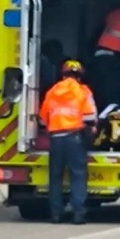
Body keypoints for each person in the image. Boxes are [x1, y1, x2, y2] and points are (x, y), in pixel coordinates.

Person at [39, 59, 97, 225]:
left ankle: (56, 214)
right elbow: (90, 118)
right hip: (75, 138)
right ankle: (78, 214)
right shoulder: (83, 91)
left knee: (55, 177)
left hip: (56, 139)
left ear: (63, 75)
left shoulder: (52, 92)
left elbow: (42, 121)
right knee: (78, 176)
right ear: (80, 76)